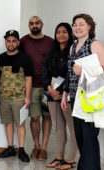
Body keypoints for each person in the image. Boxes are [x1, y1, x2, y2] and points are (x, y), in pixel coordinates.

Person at [61, 14, 104, 170]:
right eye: (75, 25)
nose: (77, 28)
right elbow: (70, 74)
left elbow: (103, 71)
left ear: (89, 27)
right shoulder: (73, 47)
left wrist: (83, 70)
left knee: (89, 139)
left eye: (81, 24)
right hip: (75, 99)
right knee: (80, 138)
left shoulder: (95, 44)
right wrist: (65, 95)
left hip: (91, 100)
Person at [43, 23, 78, 169]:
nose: (61, 35)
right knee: (58, 128)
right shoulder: (52, 51)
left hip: (68, 96)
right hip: (52, 94)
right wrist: (49, 88)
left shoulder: (74, 51)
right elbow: (45, 70)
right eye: (58, 32)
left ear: (70, 34)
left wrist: (63, 92)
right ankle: (59, 157)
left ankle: (70, 160)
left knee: (72, 128)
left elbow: (72, 74)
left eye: (64, 32)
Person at [19, 16, 54, 160]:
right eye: (32, 23)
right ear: (28, 25)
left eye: (37, 23)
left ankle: (44, 148)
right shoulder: (23, 41)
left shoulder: (51, 42)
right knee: (34, 118)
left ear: (42, 24)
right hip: (31, 86)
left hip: (47, 85)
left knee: (47, 116)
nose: (35, 25)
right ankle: (36, 146)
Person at [0, 30, 33, 163]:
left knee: (20, 124)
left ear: (18, 42)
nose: (10, 43)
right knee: (8, 123)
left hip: (19, 98)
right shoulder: (0, 57)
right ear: (5, 42)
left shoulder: (25, 58)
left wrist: (27, 97)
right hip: (4, 98)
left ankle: (22, 150)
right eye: (8, 41)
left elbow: (28, 79)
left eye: (13, 41)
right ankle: (11, 147)